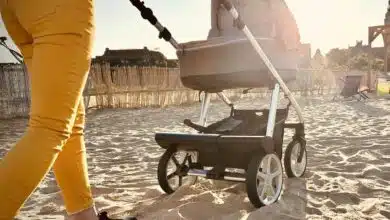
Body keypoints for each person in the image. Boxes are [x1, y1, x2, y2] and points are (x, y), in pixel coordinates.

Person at [0, 0, 135, 219]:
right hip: (60, 9)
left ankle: (83, 214)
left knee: (69, 122)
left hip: (16, 10)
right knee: (48, 128)